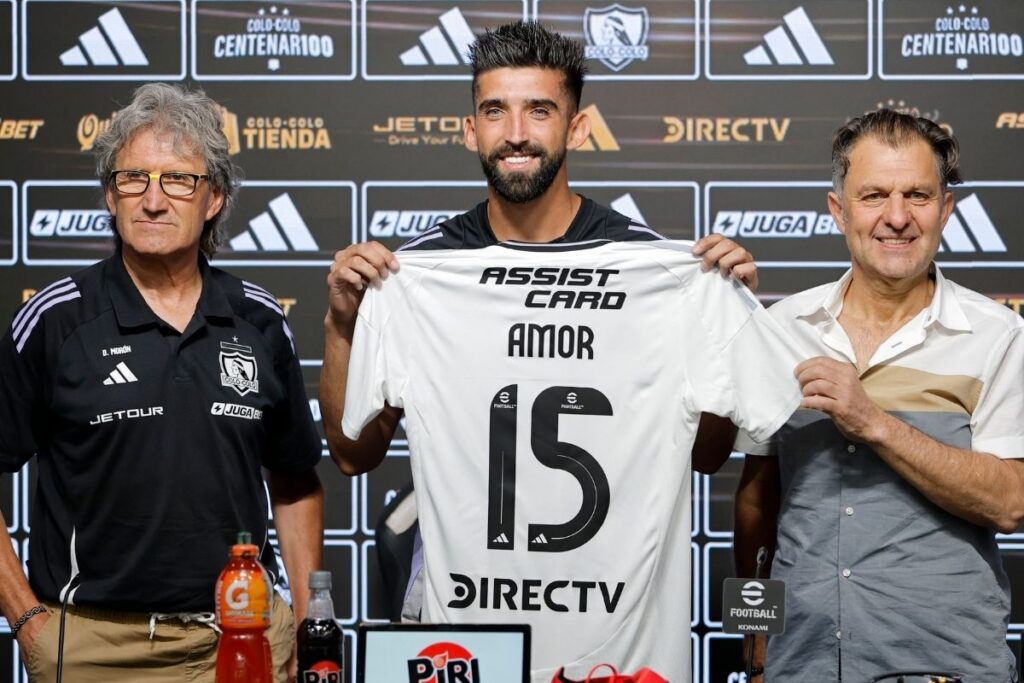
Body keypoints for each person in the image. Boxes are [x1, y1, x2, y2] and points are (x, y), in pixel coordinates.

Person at [321, 21, 796, 681]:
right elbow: (351, 453)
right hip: (471, 650)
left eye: (539, 110)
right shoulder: (420, 274)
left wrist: (719, 324)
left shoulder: (654, 268)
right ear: (470, 129)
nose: (516, 131)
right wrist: (342, 326)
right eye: (496, 111)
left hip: (621, 657)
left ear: (577, 127)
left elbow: (707, 454)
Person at [0, 83, 324, 683]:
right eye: (133, 179)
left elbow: (296, 481)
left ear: (214, 199)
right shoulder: (54, 320)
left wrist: (304, 621)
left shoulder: (258, 319)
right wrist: (27, 622)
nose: (153, 200)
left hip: (244, 635)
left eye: (178, 179)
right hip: (95, 647)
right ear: (109, 195)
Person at [734, 109, 1024, 682]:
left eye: (917, 195)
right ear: (839, 211)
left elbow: (1010, 503)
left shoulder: (998, 335)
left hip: (948, 666)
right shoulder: (779, 328)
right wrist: (755, 633)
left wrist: (876, 423)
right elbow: (755, 504)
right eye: (874, 196)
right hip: (804, 663)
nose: (897, 217)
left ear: (946, 210)